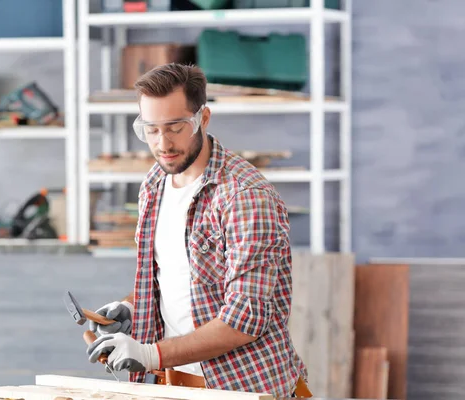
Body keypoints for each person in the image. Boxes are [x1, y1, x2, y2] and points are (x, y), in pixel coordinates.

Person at [86, 63, 309, 398]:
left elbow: (245, 320)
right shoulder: (155, 183)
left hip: (244, 390)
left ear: (203, 118)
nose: (164, 143)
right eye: (151, 130)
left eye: (176, 127)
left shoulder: (245, 197)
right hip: (174, 388)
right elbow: (174, 276)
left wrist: (150, 354)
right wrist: (131, 307)